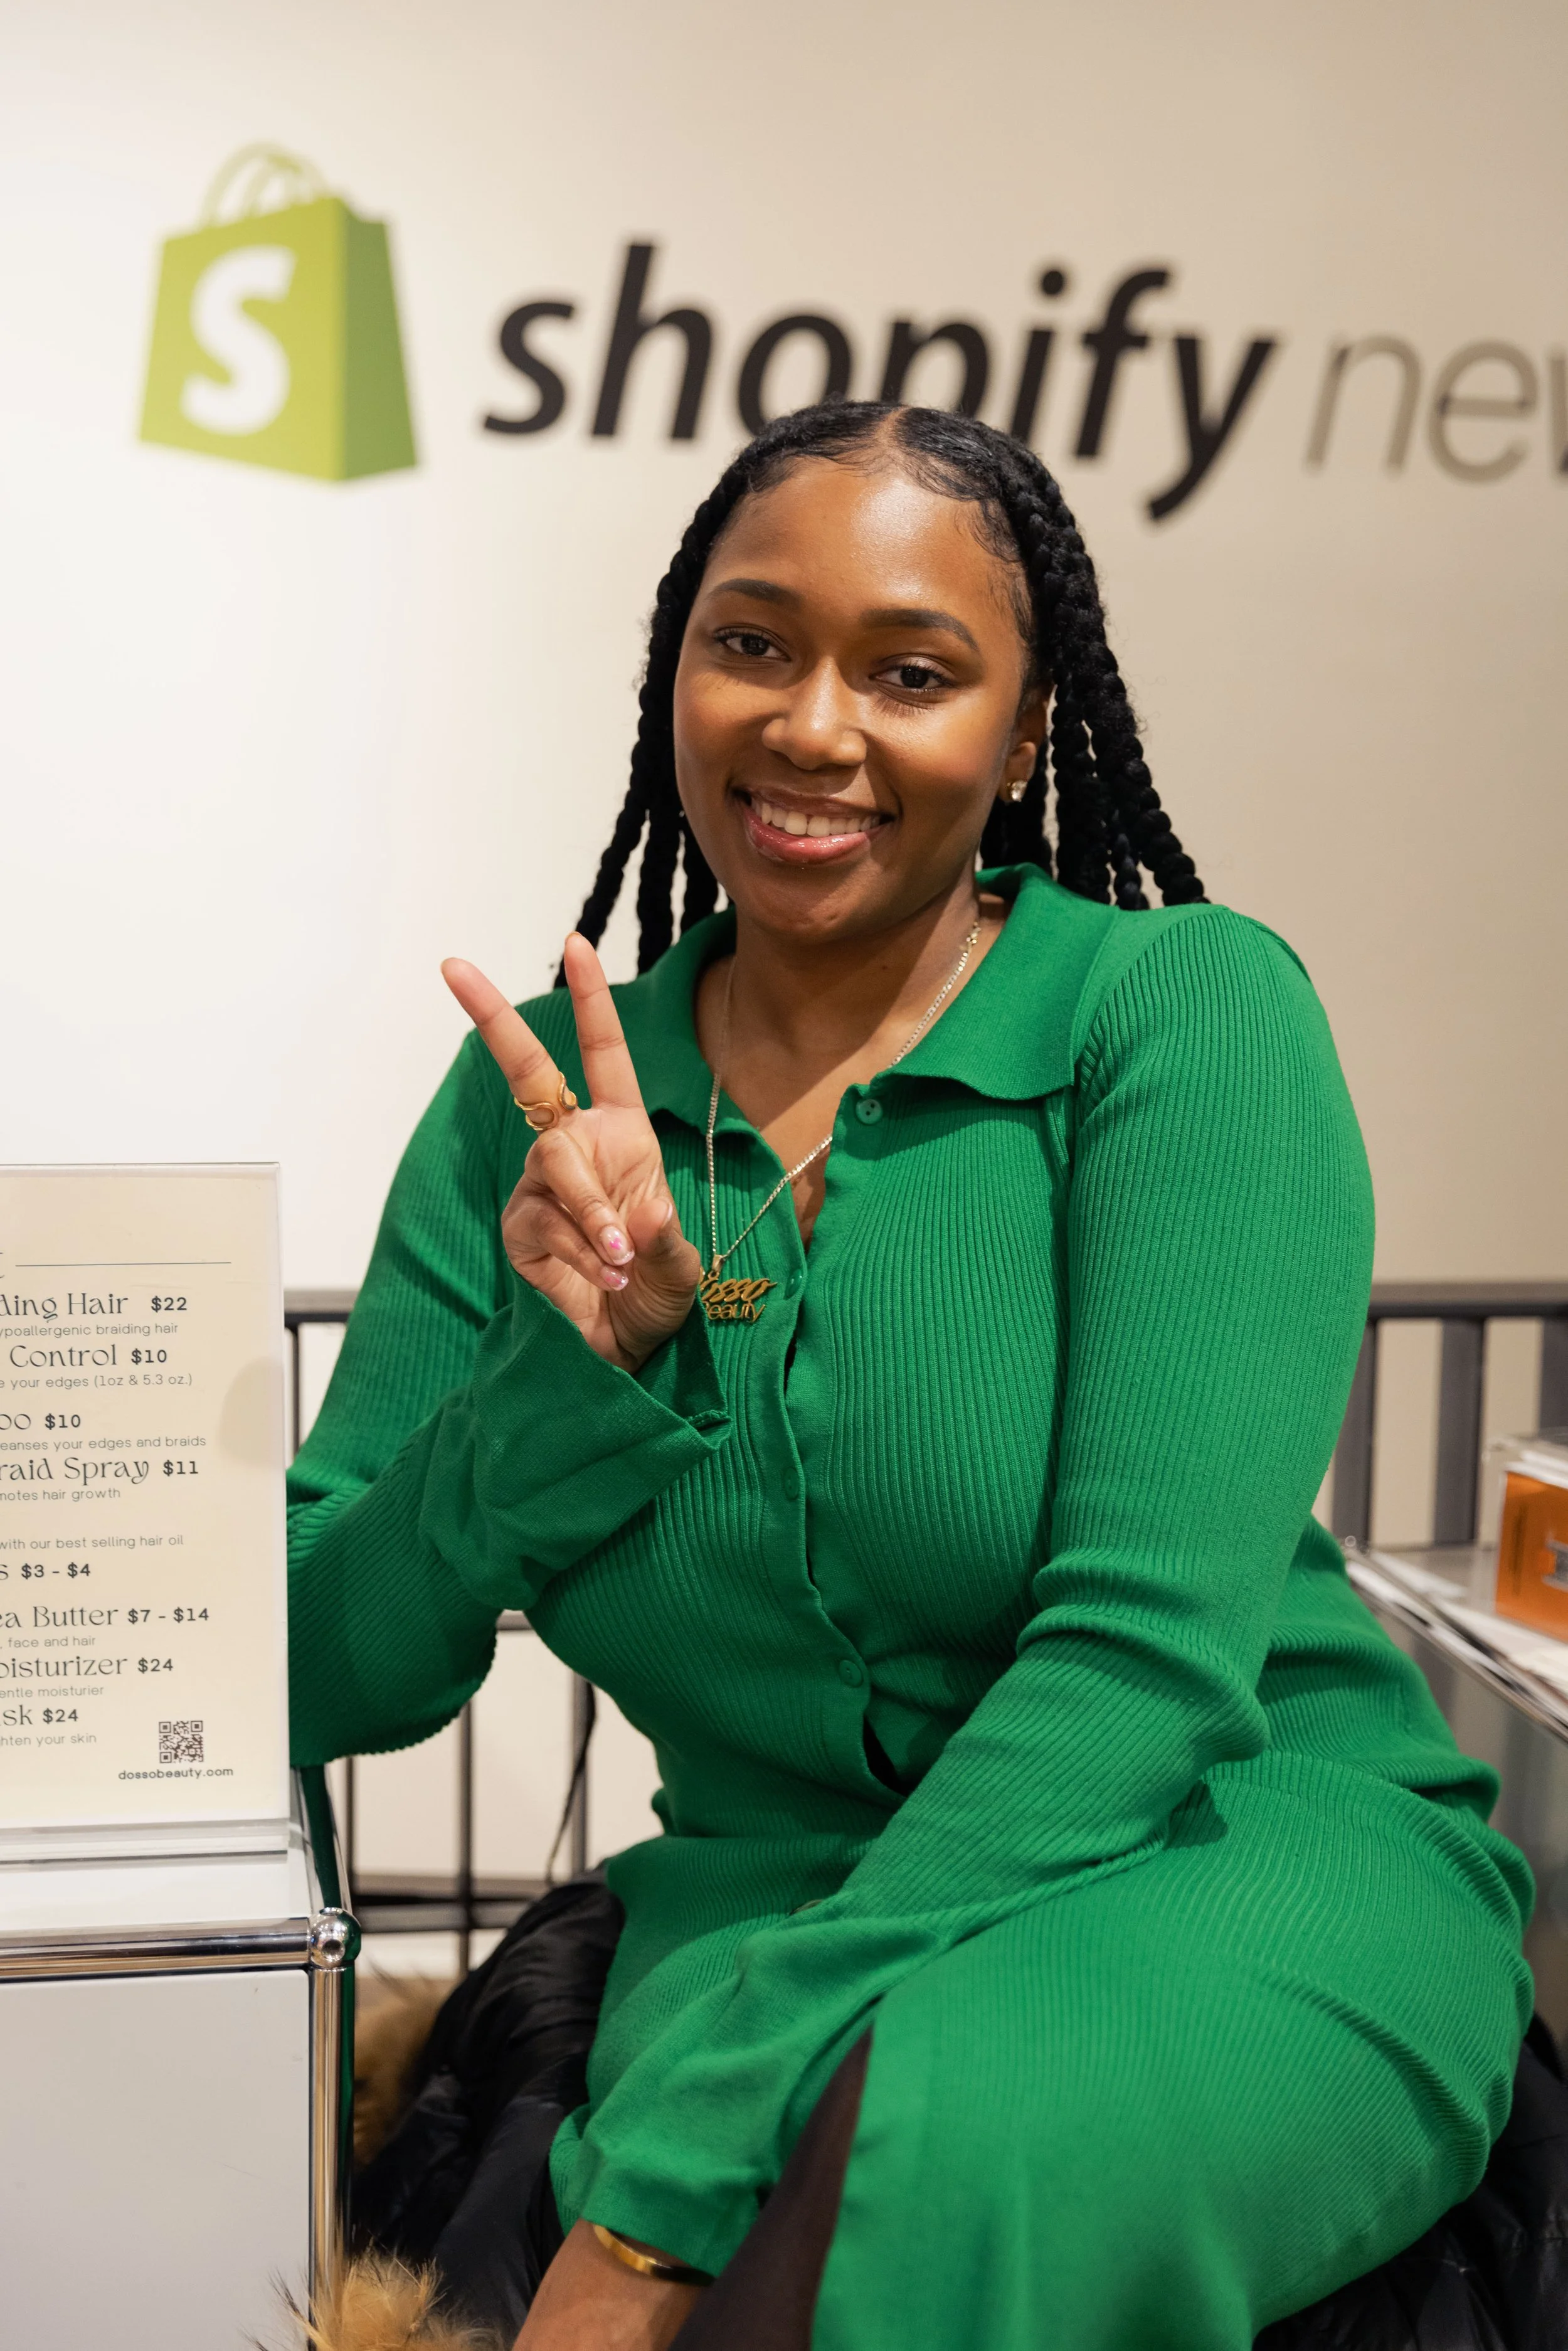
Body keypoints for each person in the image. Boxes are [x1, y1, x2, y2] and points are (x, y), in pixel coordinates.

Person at [287, 401, 1532, 2351]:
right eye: (753, 640)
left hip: (1228, 1844)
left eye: (913, 670)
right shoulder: (525, 1099)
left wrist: (663, 2197)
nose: (812, 724)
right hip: (764, 1897)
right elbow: (318, 1668)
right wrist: (544, 1395)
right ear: (672, 672)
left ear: (1026, 733)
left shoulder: (1178, 1015)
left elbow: (1143, 1667)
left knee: (939, 2150)